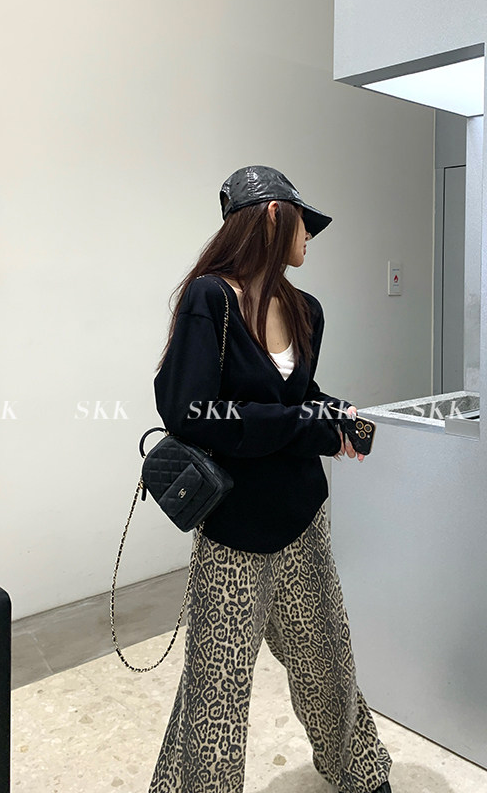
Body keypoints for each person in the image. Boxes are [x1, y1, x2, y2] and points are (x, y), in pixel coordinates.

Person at [149, 165, 392, 794]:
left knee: (326, 657)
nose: (309, 238)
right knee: (217, 685)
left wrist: (337, 417)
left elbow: (298, 398)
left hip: (303, 513)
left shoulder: (307, 309)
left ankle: (360, 769)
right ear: (274, 217)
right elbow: (189, 411)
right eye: (304, 224)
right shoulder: (210, 298)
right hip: (235, 527)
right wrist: (307, 424)